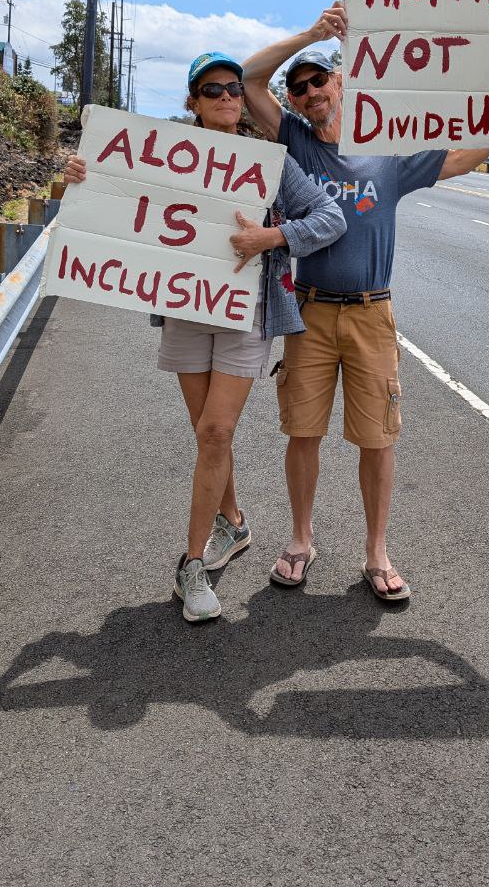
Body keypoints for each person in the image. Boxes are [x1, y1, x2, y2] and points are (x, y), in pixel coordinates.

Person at [241, 4, 489, 600]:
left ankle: (376, 553)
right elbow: (250, 79)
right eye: (299, 89)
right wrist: (310, 34)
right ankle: (300, 541)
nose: (308, 93)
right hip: (308, 310)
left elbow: (458, 159)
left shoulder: (386, 149)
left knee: (378, 438)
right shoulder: (293, 141)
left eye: (318, 79)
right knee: (303, 432)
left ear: (341, 82)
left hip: (373, 313)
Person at [64, 53, 346, 623]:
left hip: (244, 312)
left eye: (235, 90)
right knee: (206, 434)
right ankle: (234, 524)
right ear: (192, 101)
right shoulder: (162, 154)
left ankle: (190, 567)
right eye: (212, 89)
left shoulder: (268, 162)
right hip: (186, 310)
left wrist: (273, 236)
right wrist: (77, 177)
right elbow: (112, 202)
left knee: (217, 430)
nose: (226, 98)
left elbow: (330, 218)